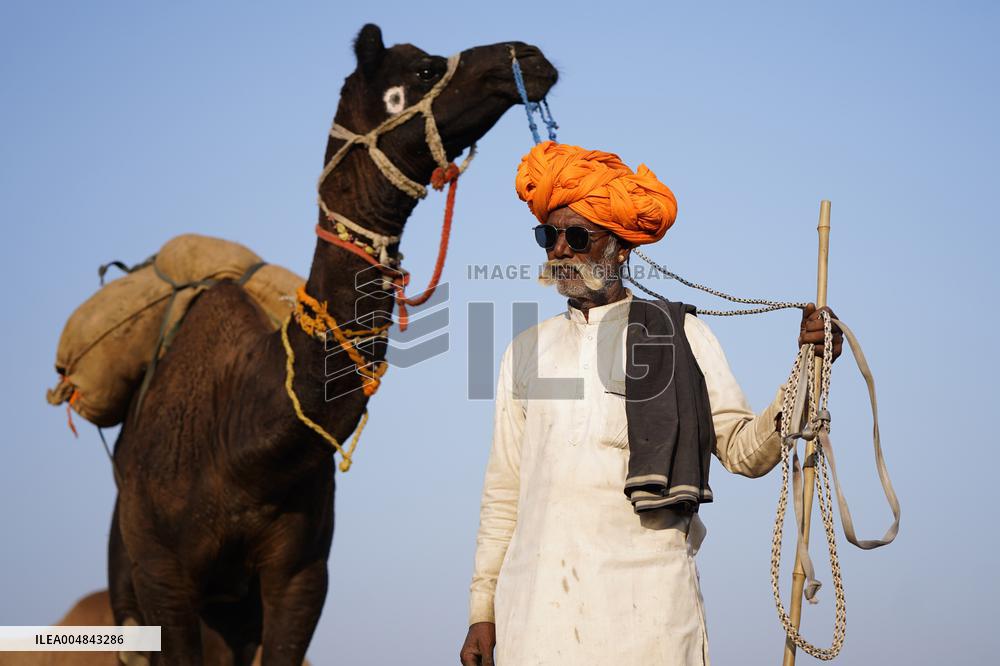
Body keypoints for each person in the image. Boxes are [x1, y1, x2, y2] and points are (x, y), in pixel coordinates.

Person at [459, 141, 843, 666]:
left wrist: (808, 369)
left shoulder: (681, 336)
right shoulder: (526, 351)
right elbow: (503, 491)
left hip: (650, 619)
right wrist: (483, 611)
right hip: (534, 619)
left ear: (621, 248)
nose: (560, 252)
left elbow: (745, 453)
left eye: (578, 236)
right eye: (549, 235)